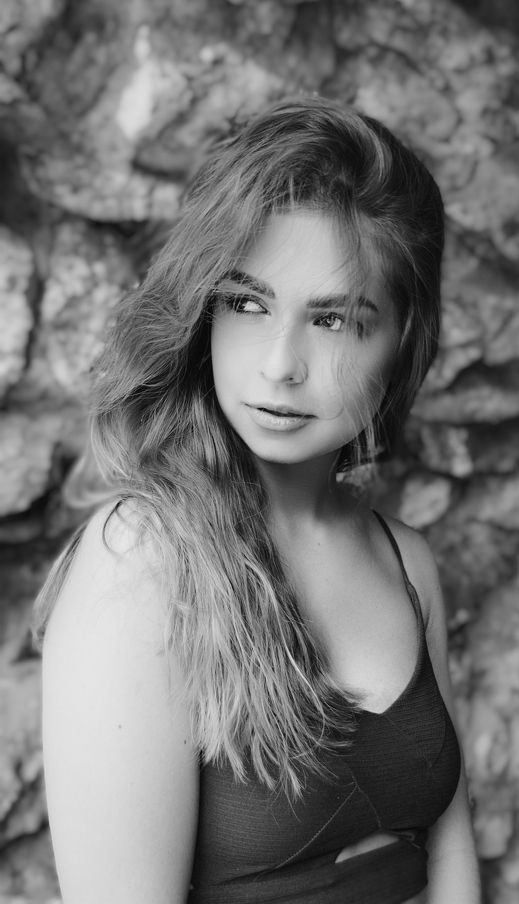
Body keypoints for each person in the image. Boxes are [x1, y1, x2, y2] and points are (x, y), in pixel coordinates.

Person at [34, 95, 481, 904]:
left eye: (334, 320)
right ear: (201, 312)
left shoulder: (405, 561)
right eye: (246, 303)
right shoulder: (141, 566)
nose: (280, 365)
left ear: (402, 338)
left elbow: (451, 847)